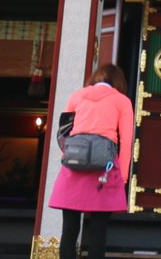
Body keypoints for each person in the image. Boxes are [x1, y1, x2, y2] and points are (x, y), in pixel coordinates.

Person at [50, 63, 135, 259]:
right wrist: (121, 177)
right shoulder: (122, 101)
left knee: (69, 230)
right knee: (98, 231)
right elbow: (127, 140)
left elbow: (63, 132)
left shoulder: (76, 96)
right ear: (117, 82)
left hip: (74, 166)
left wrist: (68, 157)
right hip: (104, 168)